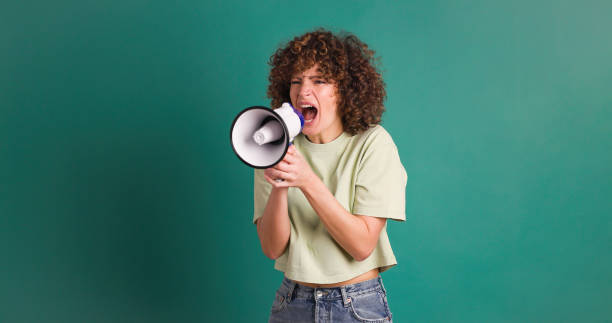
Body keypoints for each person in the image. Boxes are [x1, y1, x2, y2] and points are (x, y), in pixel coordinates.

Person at [253, 28, 407, 323]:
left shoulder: (372, 143)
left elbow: (361, 245)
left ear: (345, 90)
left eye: (319, 81)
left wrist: (307, 180)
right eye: (296, 81)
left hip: (356, 305)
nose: (303, 91)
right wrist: (281, 185)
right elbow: (273, 247)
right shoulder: (273, 145)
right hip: (292, 302)